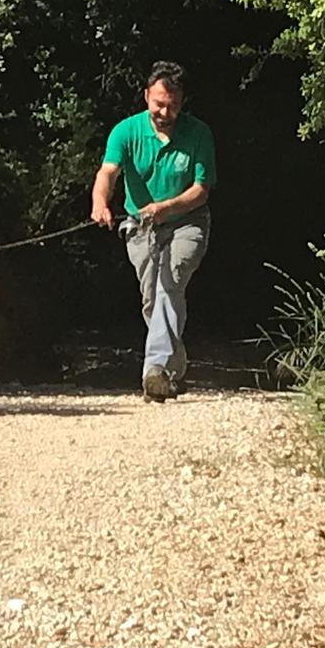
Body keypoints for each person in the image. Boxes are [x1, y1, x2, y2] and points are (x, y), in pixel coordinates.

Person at [90, 60, 216, 402]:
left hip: (188, 222)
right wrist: (100, 203)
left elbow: (201, 189)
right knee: (153, 297)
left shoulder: (199, 133)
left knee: (169, 281)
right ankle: (172, 368)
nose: (165, 111)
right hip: (140, 226)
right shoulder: (126, 132)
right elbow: (108, 173)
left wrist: (166, 208)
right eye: (159, 103)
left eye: (173, 106)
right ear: (146, 96)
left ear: (182, 103)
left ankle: (154, 369)